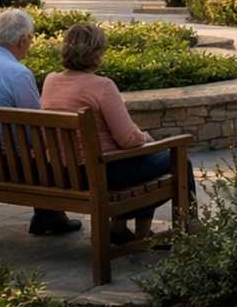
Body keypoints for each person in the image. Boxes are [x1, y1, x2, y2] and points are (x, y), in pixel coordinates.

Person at [41, 22, 196, 245]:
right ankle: (190, 227)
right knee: (179, 159)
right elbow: (128, 139)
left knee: (146, 161)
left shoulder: (51, 81)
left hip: (64, 173)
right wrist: (147, 138)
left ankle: (121, 227)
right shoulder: (102, 86)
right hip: (102, 174)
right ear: (95, 53)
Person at [0, 8, 80, 236]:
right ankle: (48, 216)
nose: (31, 44)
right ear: (23, 40)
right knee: (52, 148)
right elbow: (38, 127)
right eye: (31, 38)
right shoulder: (17, 72)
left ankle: (48, 215)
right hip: (4, 165)